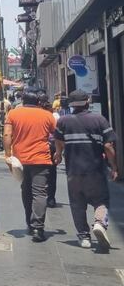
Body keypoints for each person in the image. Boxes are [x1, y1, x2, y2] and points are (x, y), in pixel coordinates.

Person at [53, 89, 119, 250]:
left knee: (77, 204)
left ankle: (84, 237)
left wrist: (59, 154)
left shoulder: (63, 121)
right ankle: (99, 223)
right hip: (95, 170)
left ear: (71, 105)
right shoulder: (99, 120)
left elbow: (58, 140)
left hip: (73, 172)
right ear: (87, 102)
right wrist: (114, 166)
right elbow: (108, 146)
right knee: (101, 200)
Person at [4, 89, 57, 242]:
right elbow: (57, 135)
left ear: (23, 101)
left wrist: (8, 154)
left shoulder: (13, 114)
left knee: (26, 190)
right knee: (40, 193)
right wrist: (58, 152)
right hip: (42, 159)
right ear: (38, 102)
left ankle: (29, 221)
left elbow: (7, 134)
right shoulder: (47, 115)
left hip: (20, 160)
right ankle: (38, 228)